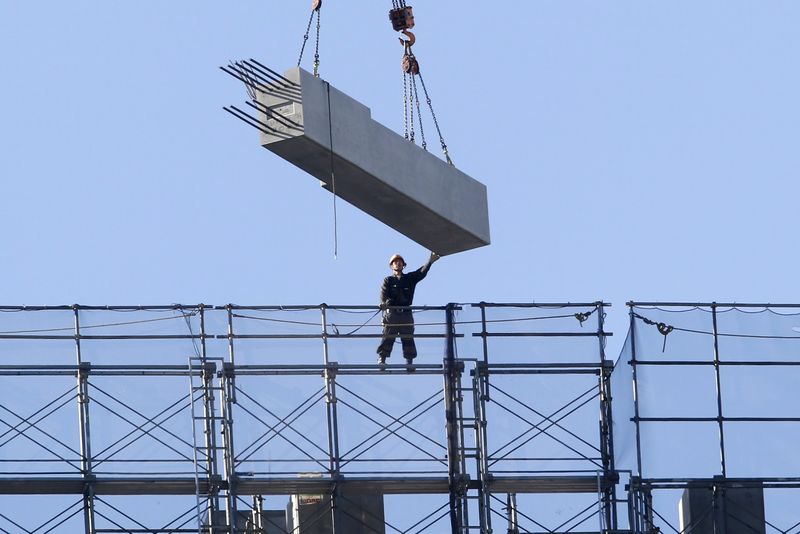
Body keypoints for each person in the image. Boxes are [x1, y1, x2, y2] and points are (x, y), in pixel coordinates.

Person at [377, 251, 440, 368]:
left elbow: (421, 273)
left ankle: (409, 362)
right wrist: (385, 303)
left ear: (403, 265)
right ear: (392, 266)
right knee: (388, 336)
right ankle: (382, 359)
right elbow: (383, 295)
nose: (398, 264)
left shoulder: (409, 279)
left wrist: (430, 262)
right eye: (395, 262)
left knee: (408, 338)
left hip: (405, 313)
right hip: (393, 314)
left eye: (400, 262)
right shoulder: (388, 280)